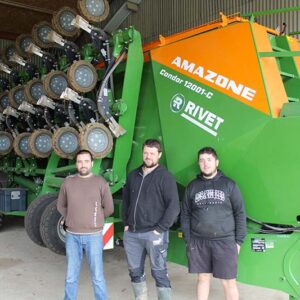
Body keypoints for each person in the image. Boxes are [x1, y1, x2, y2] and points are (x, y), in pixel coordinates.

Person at [181, 147, 246, 300]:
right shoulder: (192, 186)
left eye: (209, 160)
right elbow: (185, 214)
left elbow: (240, 213)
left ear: (216, 162)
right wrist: (188, 239)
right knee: (202, 279)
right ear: (198, 163)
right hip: (199, 241)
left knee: (229, 282)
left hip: (225, 241)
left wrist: (238, 242)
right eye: (202, 160)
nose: (206, 163)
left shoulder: (229, 185)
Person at [122, 139, 180, 300]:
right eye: (146, 152)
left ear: (159, 155)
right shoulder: (133, 175)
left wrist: (160, 229)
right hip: (132, 234)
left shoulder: (165, 177)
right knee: (134, 272)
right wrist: (126, 223)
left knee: (159, 272)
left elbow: (174, 206)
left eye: (152, 153)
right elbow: (126, 201)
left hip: (154, 234)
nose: (148, 156)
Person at [57, 149, 114, 300]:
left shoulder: (100, 182)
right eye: (80, 161)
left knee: (97, 277)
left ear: (92, 163)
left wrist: (95, 219)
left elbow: (109, 208)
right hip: (72, 236)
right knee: (71, 277)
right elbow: (60, 205)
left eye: (86, 161)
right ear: (76, 164)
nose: (83, 165)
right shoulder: (68, 182)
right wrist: (70, 217)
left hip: (94, 236)